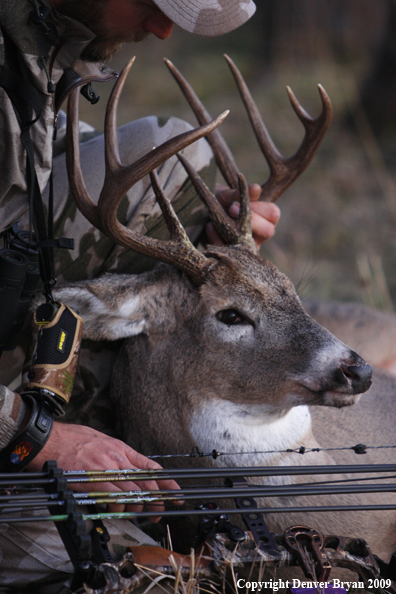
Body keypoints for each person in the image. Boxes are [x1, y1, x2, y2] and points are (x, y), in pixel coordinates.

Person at [0, 0, 280, 588]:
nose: (162, 28)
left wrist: (194, 237)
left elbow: (37, 159)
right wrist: (32, 437)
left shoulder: (34, 42)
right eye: (153, 2)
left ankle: (94, 425)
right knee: (135, 570)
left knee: (176, 159)